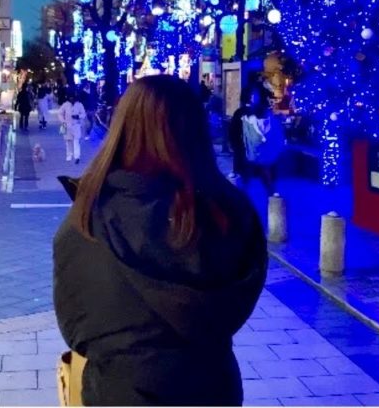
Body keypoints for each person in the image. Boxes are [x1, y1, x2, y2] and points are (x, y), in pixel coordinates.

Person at [53, 75, 267, 406]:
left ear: (122, 126)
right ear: (196, 134)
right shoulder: (228, 215)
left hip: (118, 394)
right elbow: (239, 300)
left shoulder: (86, 221)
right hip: (212, 390)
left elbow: (77, 329)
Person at [243, 95, 286, 197]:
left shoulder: (252, 121)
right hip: (261, 156)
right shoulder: (254, 121)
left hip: (261, 156)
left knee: (262, 175)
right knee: (263, 175)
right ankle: (268, 192)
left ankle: (266, 192)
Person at [57, 92, 86, 164]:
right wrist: (63, 121)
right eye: (70, 98)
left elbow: (83, 114)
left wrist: (78, 116)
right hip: (66, 125)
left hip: (76, 125)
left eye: (73, 98)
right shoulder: (65, 104)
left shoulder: (79, 104)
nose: (72, 99)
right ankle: (69, 155)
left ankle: (77, 157)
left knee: (76, 141)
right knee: (68, 141)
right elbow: (60, 113)